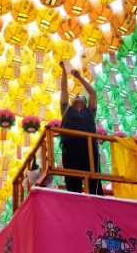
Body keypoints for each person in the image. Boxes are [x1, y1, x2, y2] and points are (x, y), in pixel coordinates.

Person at [59, 61, 104, 196]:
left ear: (85, 101)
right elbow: (63, 88)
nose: (77, 95)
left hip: (89, 148)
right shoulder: (66, 109)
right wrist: (63, 71)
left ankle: (97, 206)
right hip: (70, 149)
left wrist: (79, 78)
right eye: (75, 95)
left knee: (94, 183)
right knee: (73, 185)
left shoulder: (90, 111)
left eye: (80, 95)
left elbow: (93, 93)